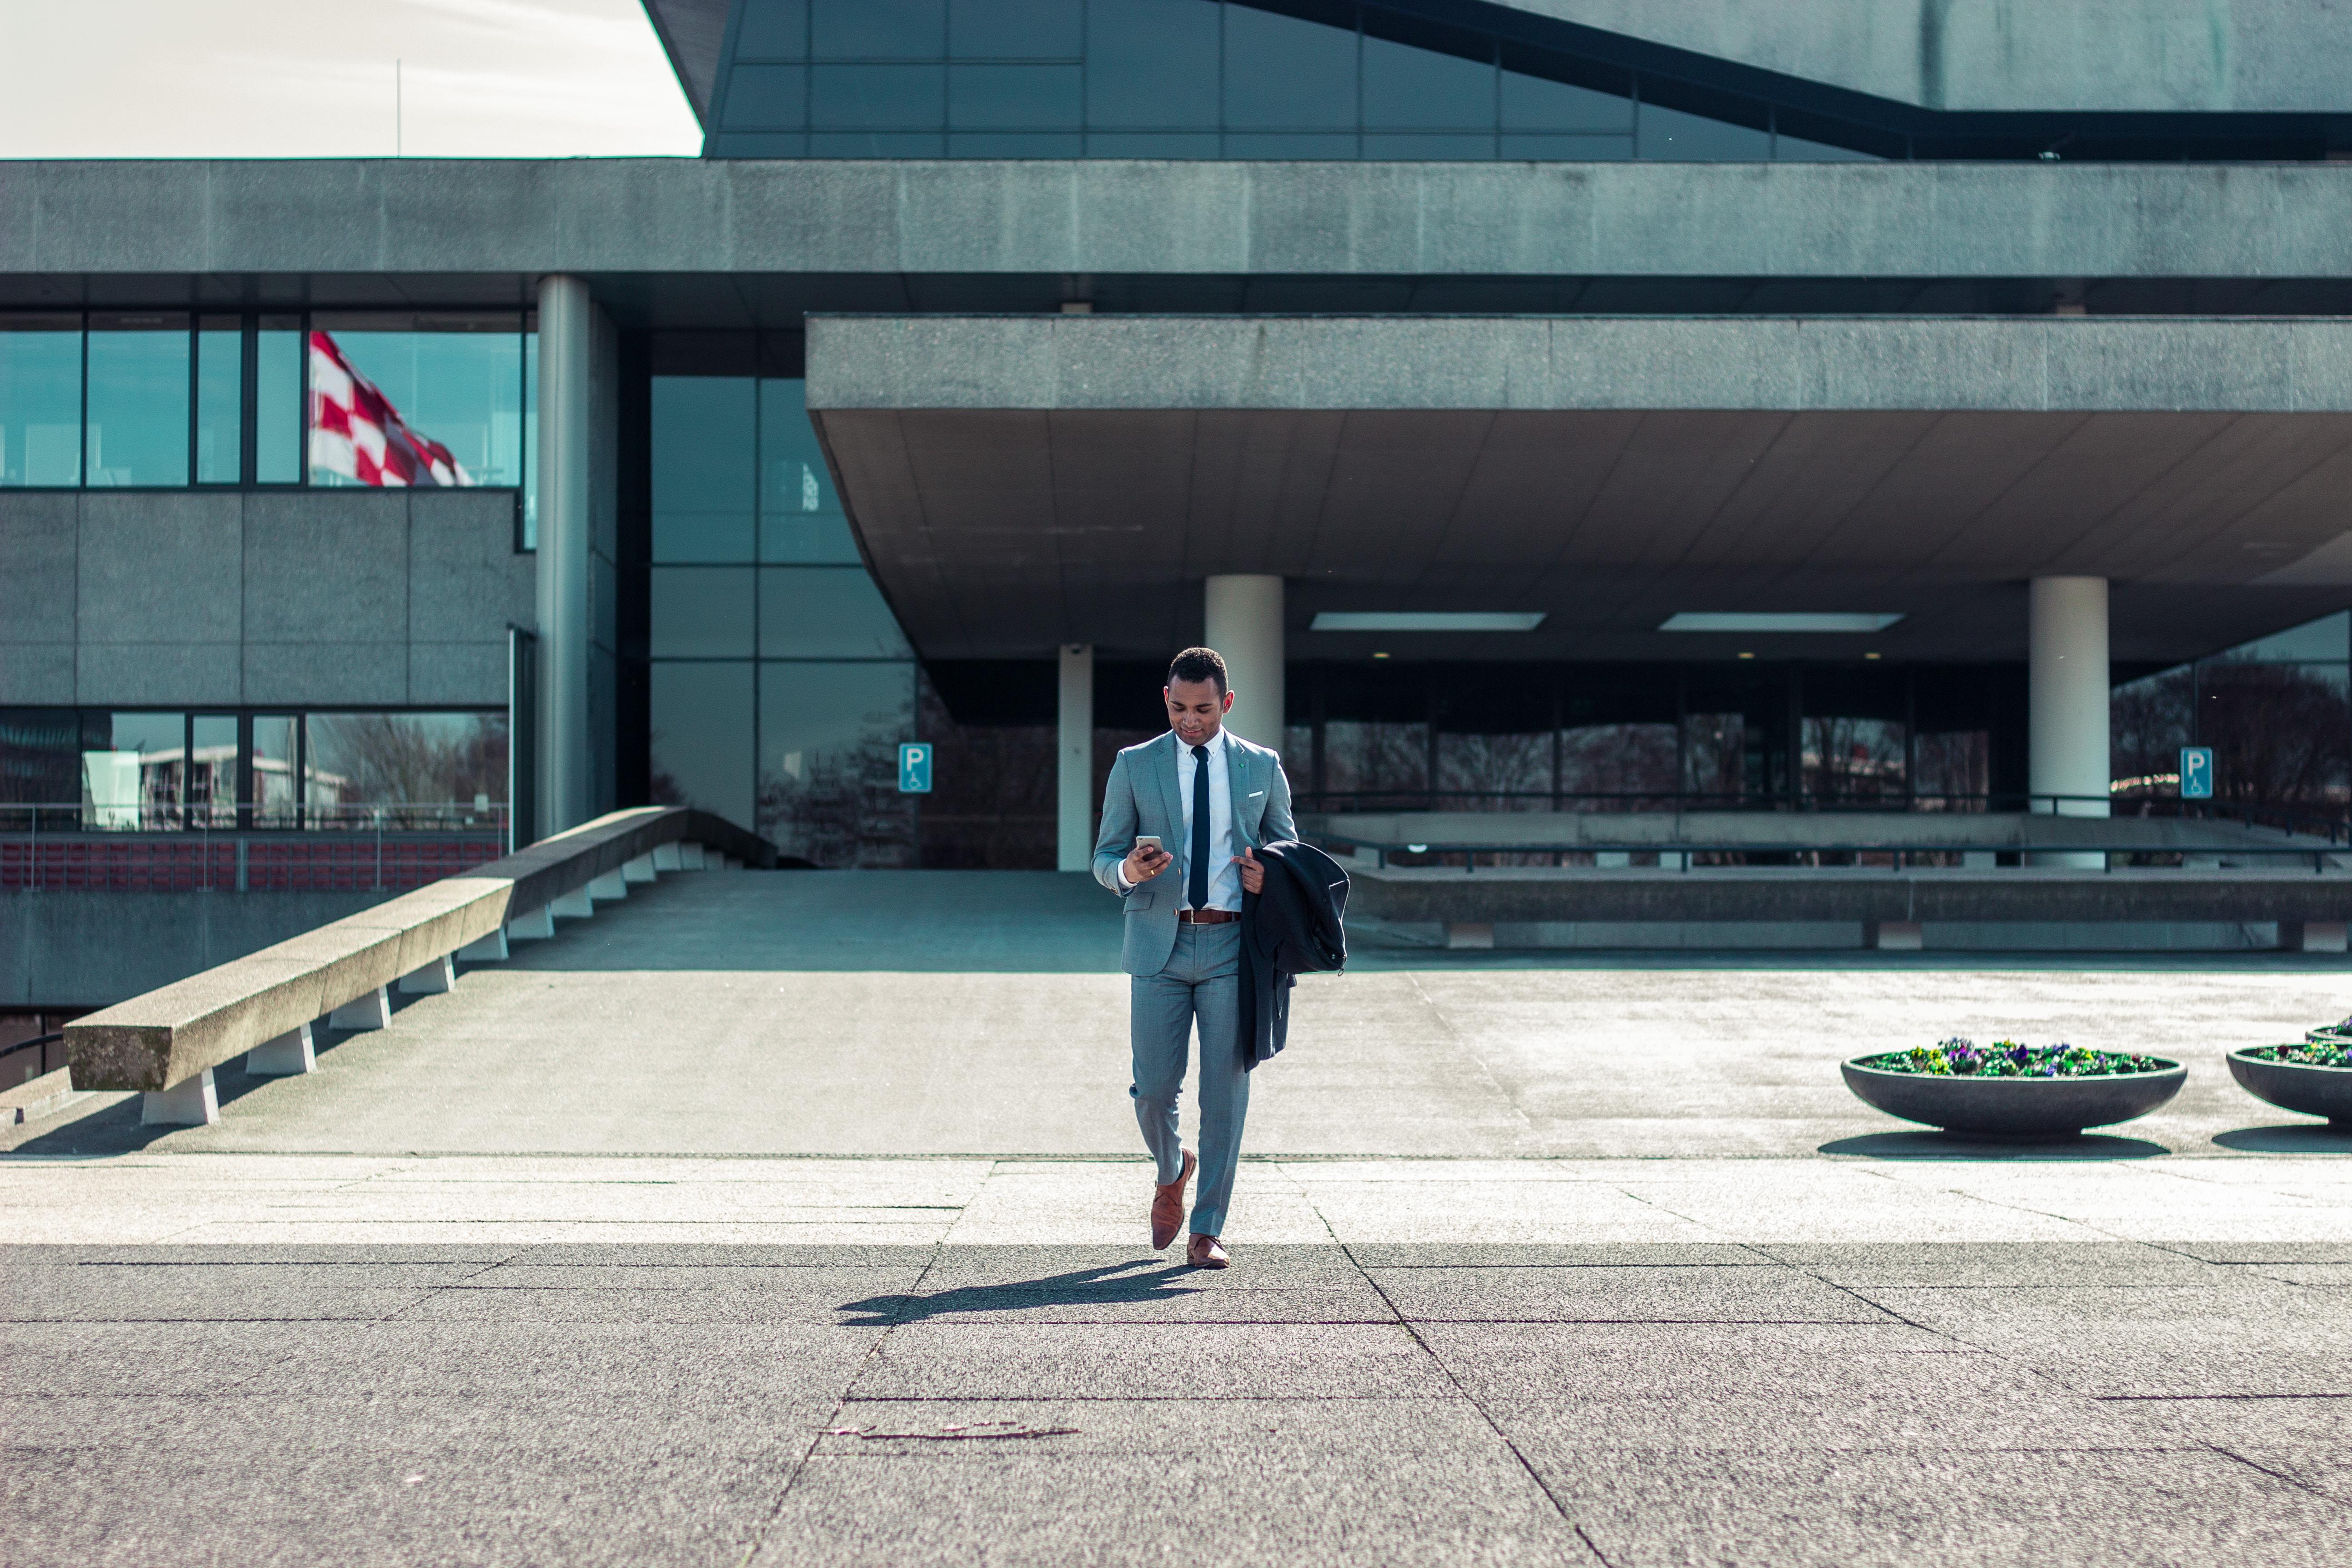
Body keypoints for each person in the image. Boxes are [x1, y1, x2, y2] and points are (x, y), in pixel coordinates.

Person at [1092, 646, 1297, 1269]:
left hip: (1234, 946)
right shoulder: (1134, 765)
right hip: (1159, 942)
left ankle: (1206, 1228)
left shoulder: (1261, 765)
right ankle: (1171, 1165)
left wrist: (1272, 876)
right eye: (1179, 707)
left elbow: (1289, 846)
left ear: (1226, 703)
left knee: (1225, 1094)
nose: (1190, 720)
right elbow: (1102, 859)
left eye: (1203, 709)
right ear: (1166, 700)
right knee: (1153, 1090)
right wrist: (1126, 870)